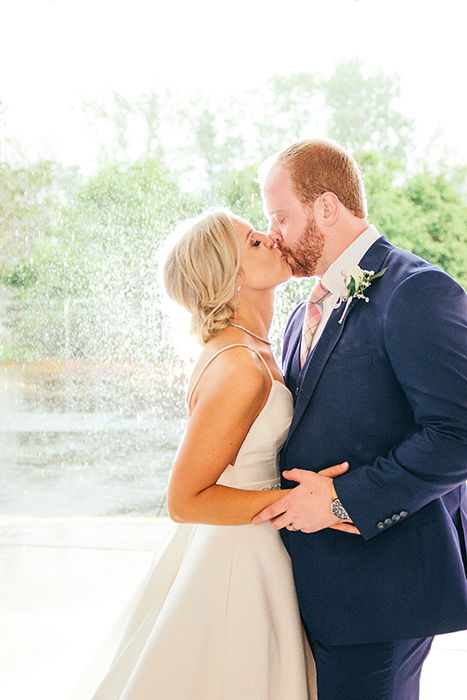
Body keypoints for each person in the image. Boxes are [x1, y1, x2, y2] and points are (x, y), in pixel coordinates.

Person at [89, 208, 347, 699]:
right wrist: (309, 504)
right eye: (253, 243)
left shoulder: (255, 347)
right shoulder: (240, 367)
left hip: (255, 547)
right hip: (236, 560)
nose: (271, 239)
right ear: (228, 280)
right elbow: (186, 500)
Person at [251, 139, 467, 700]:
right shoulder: (302, 313)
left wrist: (342, 499)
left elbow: (459, 433)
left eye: (280, 216)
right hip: (315, 588)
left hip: (382, 594)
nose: (273, 234)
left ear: (327, 207)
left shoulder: (416, 290)